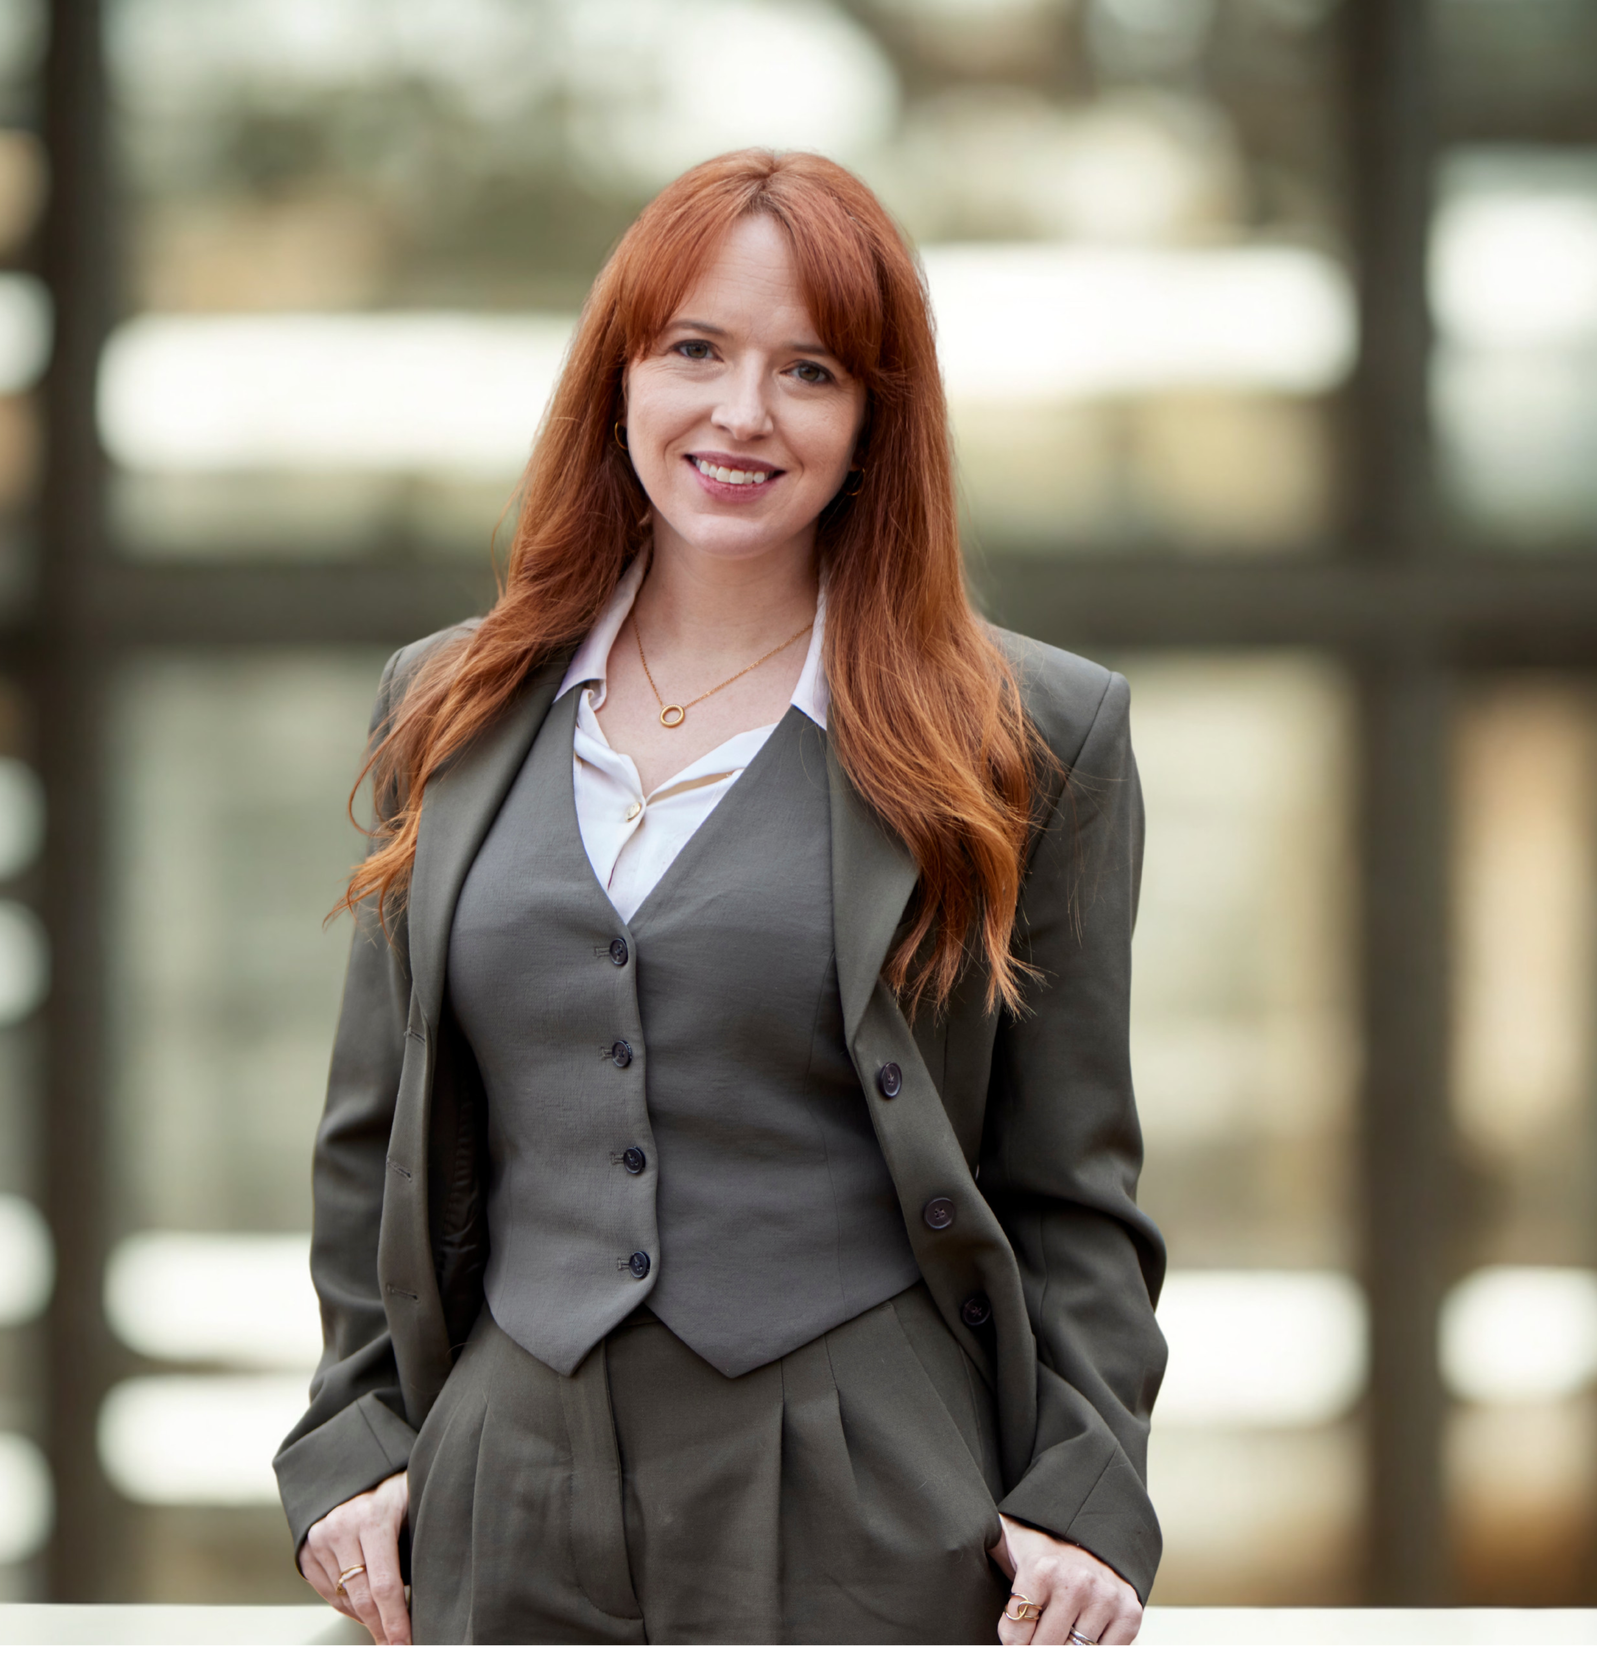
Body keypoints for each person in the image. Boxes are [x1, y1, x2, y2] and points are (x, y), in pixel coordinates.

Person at [274, 148, 1165, 1646]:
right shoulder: (450, 704)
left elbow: (1071, 1178)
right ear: (619, 376)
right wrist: (355, 1440)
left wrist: (1087, 1491)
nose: (742, 412)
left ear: (875, 420)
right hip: (501, 1483)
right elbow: (373, 1132)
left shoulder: (1028, 736)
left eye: (809, 370)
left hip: (865, 1489)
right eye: (695, 349)